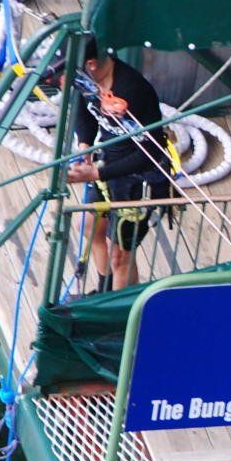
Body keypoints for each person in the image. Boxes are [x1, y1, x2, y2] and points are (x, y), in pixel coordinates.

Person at [63, 43, 174, 291]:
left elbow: (151, 152)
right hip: (108, 163)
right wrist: (84, 144)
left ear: (91, 65)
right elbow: (84, 109)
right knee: (90, 228)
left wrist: (96, 173)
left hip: (139, 176)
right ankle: (103, 291)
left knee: (120, 255)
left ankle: (119, 309)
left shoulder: (132, 90)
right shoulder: (89, 80)